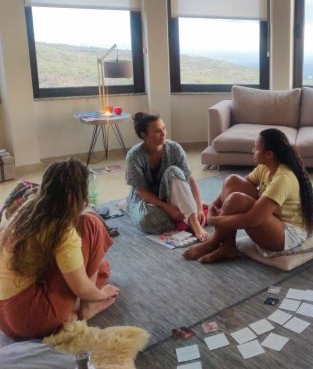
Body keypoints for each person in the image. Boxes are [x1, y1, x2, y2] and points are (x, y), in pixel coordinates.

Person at [0, 159, 118, 339]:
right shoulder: (62, 229)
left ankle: (67, 312)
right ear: (76, 196)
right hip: (29, 316)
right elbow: (82, 289)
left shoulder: (29, 209)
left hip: (4, 319)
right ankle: (85, 309)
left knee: (102, 269)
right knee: (91, 224)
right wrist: (101, 295)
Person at [184, 128, 313, 263]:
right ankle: (228, 246)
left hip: (288, 234)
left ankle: (213, 243)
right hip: (273, 218)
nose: (253, 151)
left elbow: (251, 220)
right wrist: (213, 205)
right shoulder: (265, 167)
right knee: (232, 181)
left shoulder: (283, 178)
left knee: (236, 199)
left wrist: (214, 220)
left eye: (256, 148)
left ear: (269, 154)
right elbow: (235, 186)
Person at [125, 112, 208, 240]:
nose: (163, 133)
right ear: (144, 135)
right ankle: (185, 212)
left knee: (174, 171)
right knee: (148, 221)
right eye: (157, 131)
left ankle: (194, 222)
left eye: (164, 129)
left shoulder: (174, 148)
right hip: (146, 199)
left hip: (172, 193)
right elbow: (142, 191)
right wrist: (167, 208)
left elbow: (190, 179)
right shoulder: (134, 156)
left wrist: (200, 208)